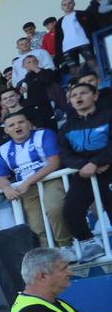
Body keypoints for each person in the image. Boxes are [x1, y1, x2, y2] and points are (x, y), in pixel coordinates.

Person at [0, 110, 72, 248]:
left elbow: (54, 162)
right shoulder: (3, 149)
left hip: (49, 180)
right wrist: (6, 188)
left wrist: (28, 182)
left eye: (21, 122)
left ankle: (66, 246)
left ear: (29, 124)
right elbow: (0, 177)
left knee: (54, 209)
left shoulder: (44, 134)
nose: (17, 126)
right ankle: (49, 254)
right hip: (27, 191)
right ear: (7, 131)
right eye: (11, 125)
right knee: (37, 225)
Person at [58, 81, 112, 263]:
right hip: (84, 174)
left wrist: (96, 162)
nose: (78, 97)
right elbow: (65, 155)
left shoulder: (108, 116)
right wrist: (85, 165)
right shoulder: (66, 128)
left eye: (83, 93)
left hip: (108, 169)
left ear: (95, 96)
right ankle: (90, 243)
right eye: (74, 95)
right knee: (70, 211)